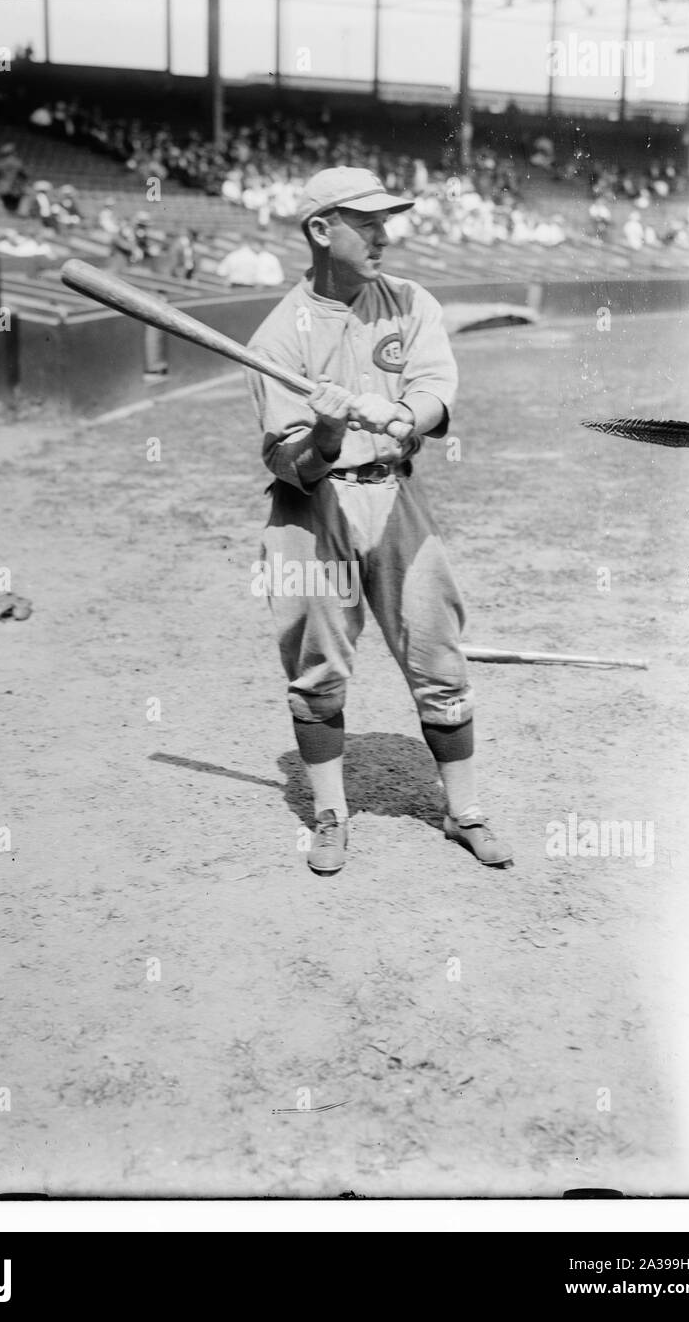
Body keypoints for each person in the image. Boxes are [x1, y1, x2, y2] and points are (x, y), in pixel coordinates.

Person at [245, 167, 513, 875]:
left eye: (385, 221)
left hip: (395, 496)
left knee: (438, 651)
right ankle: (330, 815)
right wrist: (328, 433)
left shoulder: (408, 301)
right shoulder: (277, 337)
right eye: (368, 224)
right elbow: (288, 463)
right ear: (320, 230)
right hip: (313, 509)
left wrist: (401, 415)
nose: (384, 236)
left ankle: (463, 811)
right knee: (317, 672)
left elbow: (434, 388)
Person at [0, 143, 27, 215]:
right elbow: (24, 176)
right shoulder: (18, 162)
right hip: (16, 189)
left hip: (2, 188)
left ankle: (1, 212)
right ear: (13, 152)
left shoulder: (0, 163)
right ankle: (21, 212)